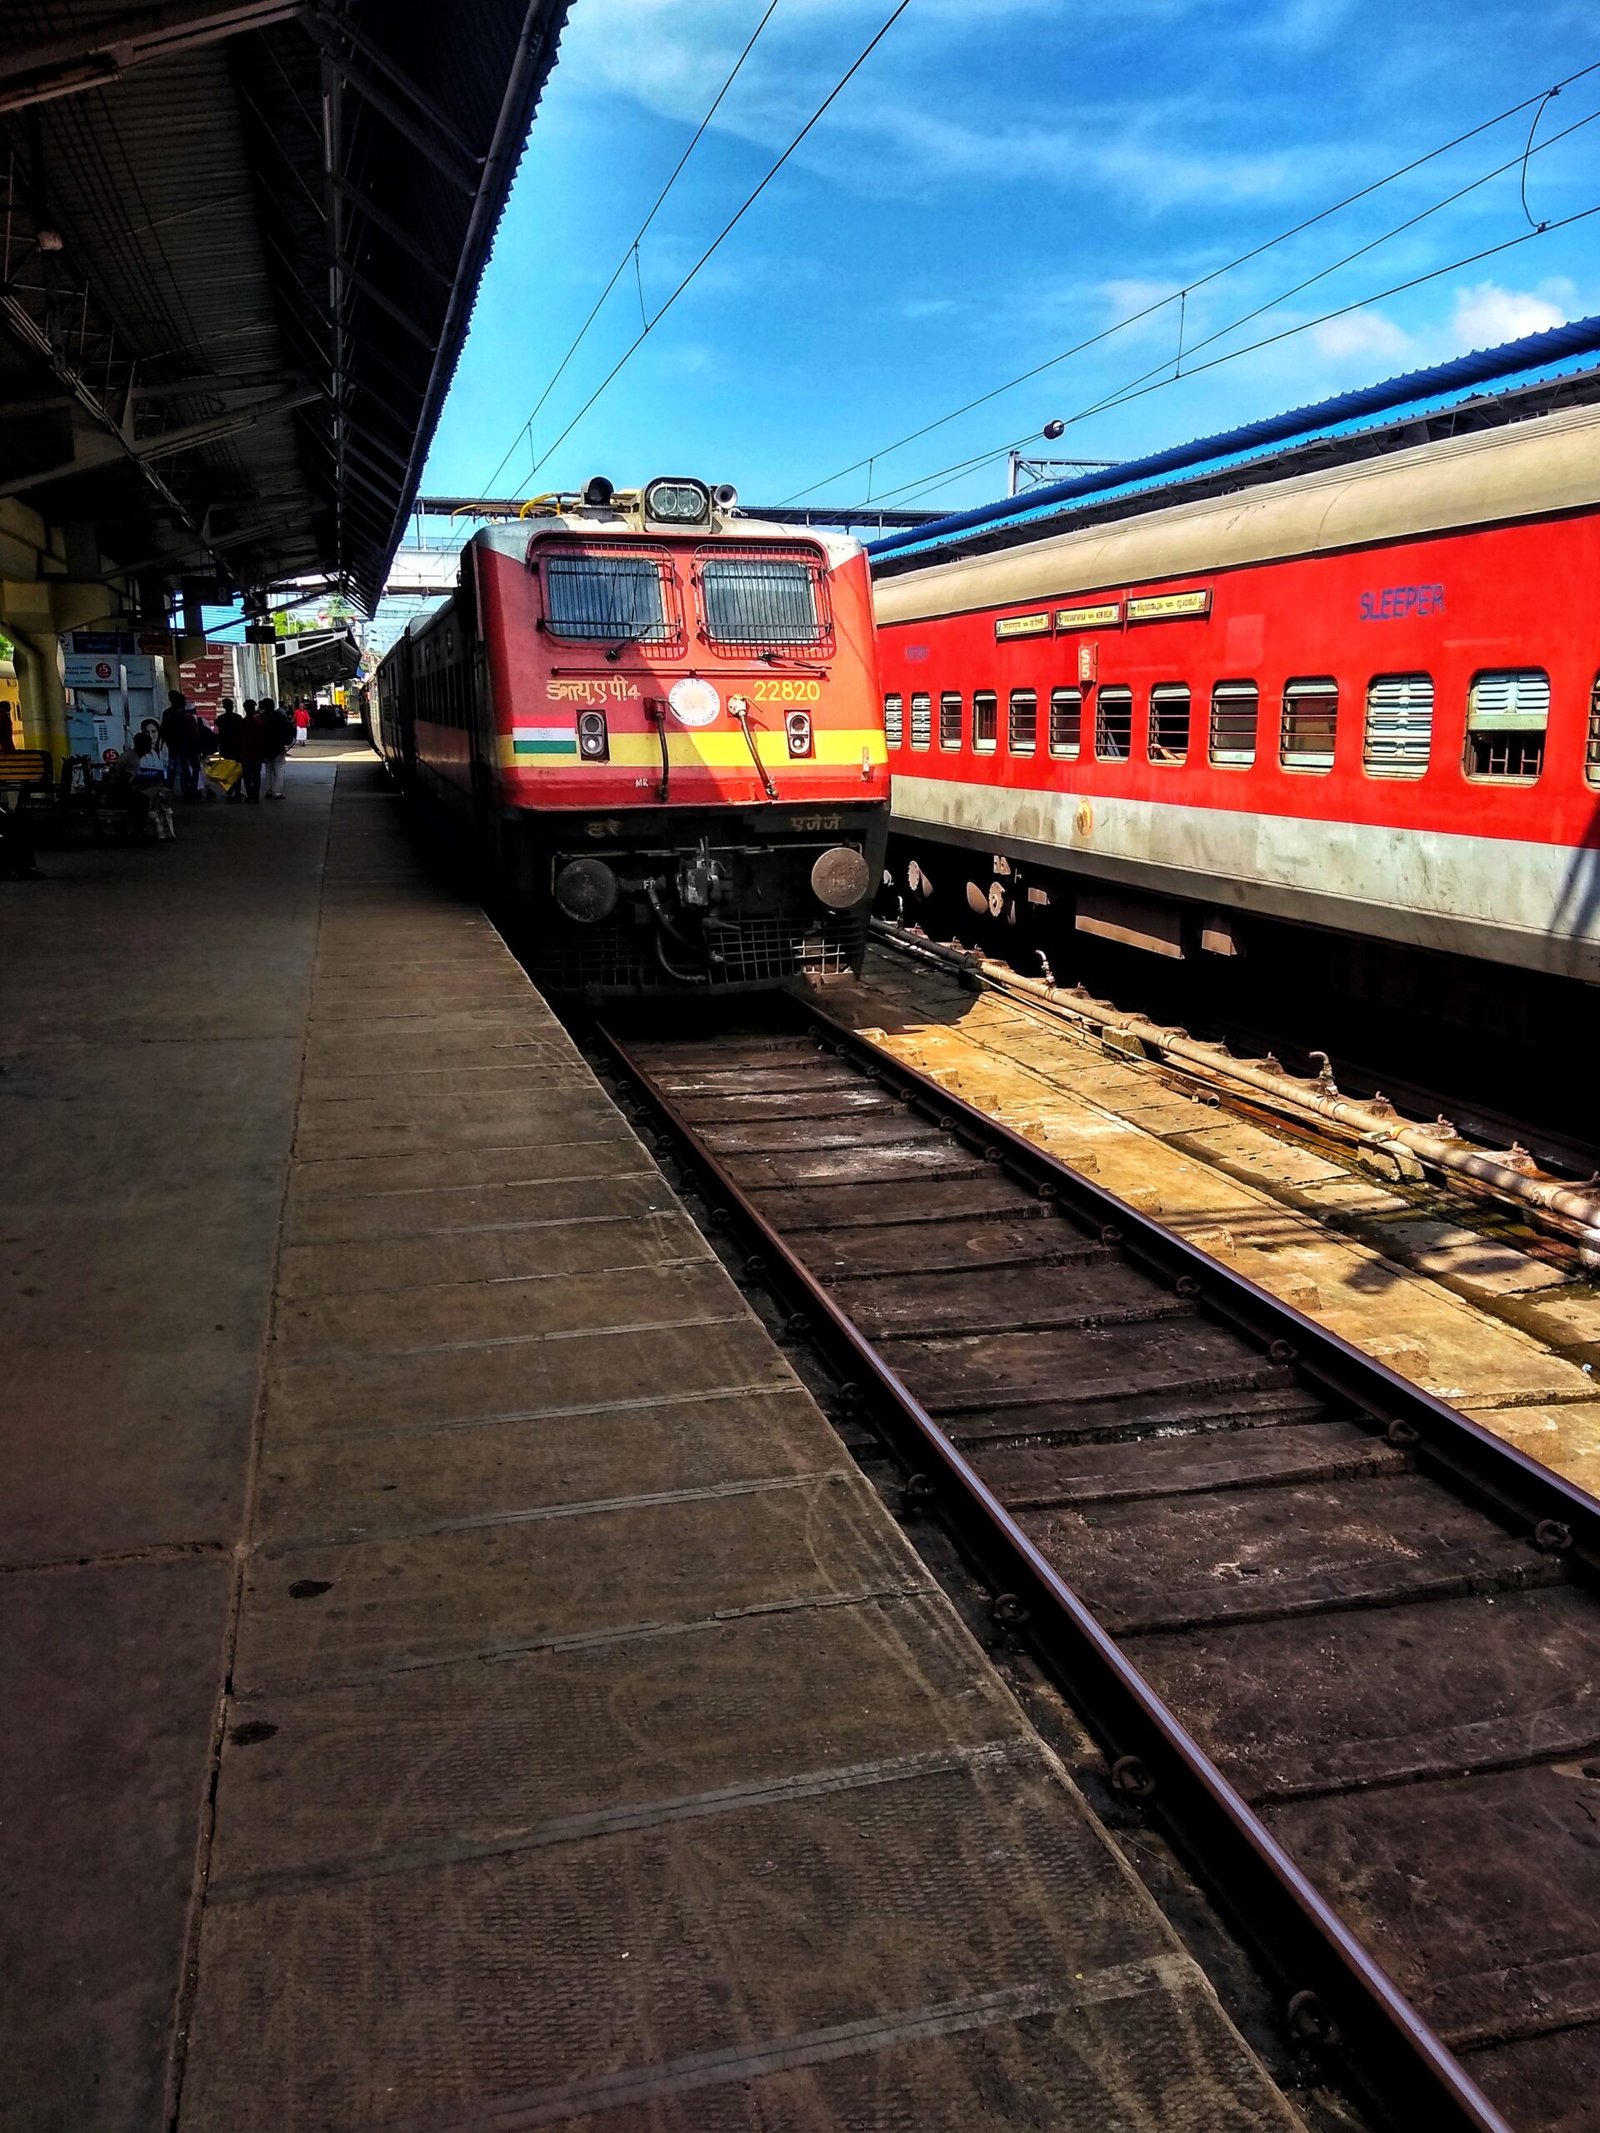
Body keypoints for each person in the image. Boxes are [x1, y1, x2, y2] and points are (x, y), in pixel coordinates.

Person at [160, 688, 202, 802]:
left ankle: (181, 788)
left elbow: (163, 730)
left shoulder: (168, 714)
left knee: (179, 767)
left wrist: (167, 742)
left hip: (175, 745)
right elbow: (196, 732)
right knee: (194, 768)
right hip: (190, 746)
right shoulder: (189, 716)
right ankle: (193, 788)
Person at [259, 698, 293, 799]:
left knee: (268, 769)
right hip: (278, 747)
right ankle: (277, 792)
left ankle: (268, 791)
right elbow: (287, 730)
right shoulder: (279, 717)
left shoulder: (262, 718)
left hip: (265, 747)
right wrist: (286, 743)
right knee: (279, 769)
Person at [215, 697, 245, 802]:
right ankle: (236, 791)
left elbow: (217, 729)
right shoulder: (238, 718)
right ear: (232, 707)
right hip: (236, 747)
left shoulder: (220, 719)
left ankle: (229, 789)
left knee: (228, 770)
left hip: (225, 747)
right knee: (237, 770)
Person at [237, 700, 267, 803]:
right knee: (256, 774)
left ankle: (250, 795)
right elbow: (262, 738)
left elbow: (239, 739)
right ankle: (256, 795)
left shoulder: (242, 723)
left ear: (245, 709)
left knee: (247, 775)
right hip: (256, 752)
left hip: (245, 753)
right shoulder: (258, 723)